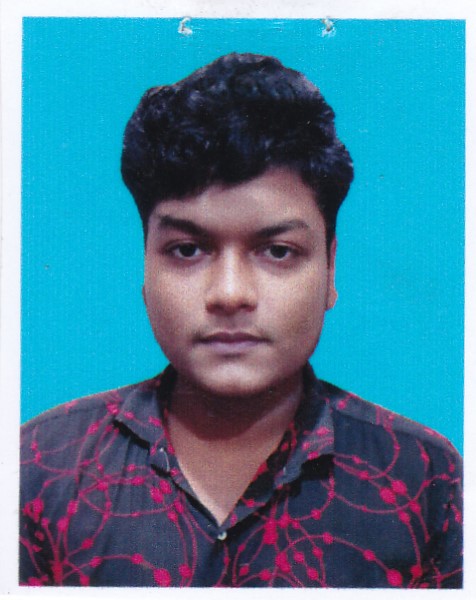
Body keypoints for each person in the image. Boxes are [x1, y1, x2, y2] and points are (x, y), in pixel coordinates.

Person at [20, 52, 462, 588]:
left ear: (330, 270)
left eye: (277, 251)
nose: (230, 294)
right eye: (187, 250)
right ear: (145, 268)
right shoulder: (37, 467)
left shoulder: (426, 477)